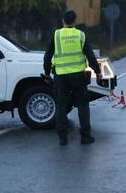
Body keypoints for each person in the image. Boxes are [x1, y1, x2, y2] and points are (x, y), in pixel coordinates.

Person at [43, 9, 106, 145]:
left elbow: (47, 56)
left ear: (63, 21)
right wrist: (98, 72)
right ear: (75, 21)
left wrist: (47, 73)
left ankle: (62, 138)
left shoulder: (57, 35)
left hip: (61, 77)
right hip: (79, 76)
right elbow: (90, 56)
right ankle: (85, 136)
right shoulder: (80, 35)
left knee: (61, 106)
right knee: (83, 106)